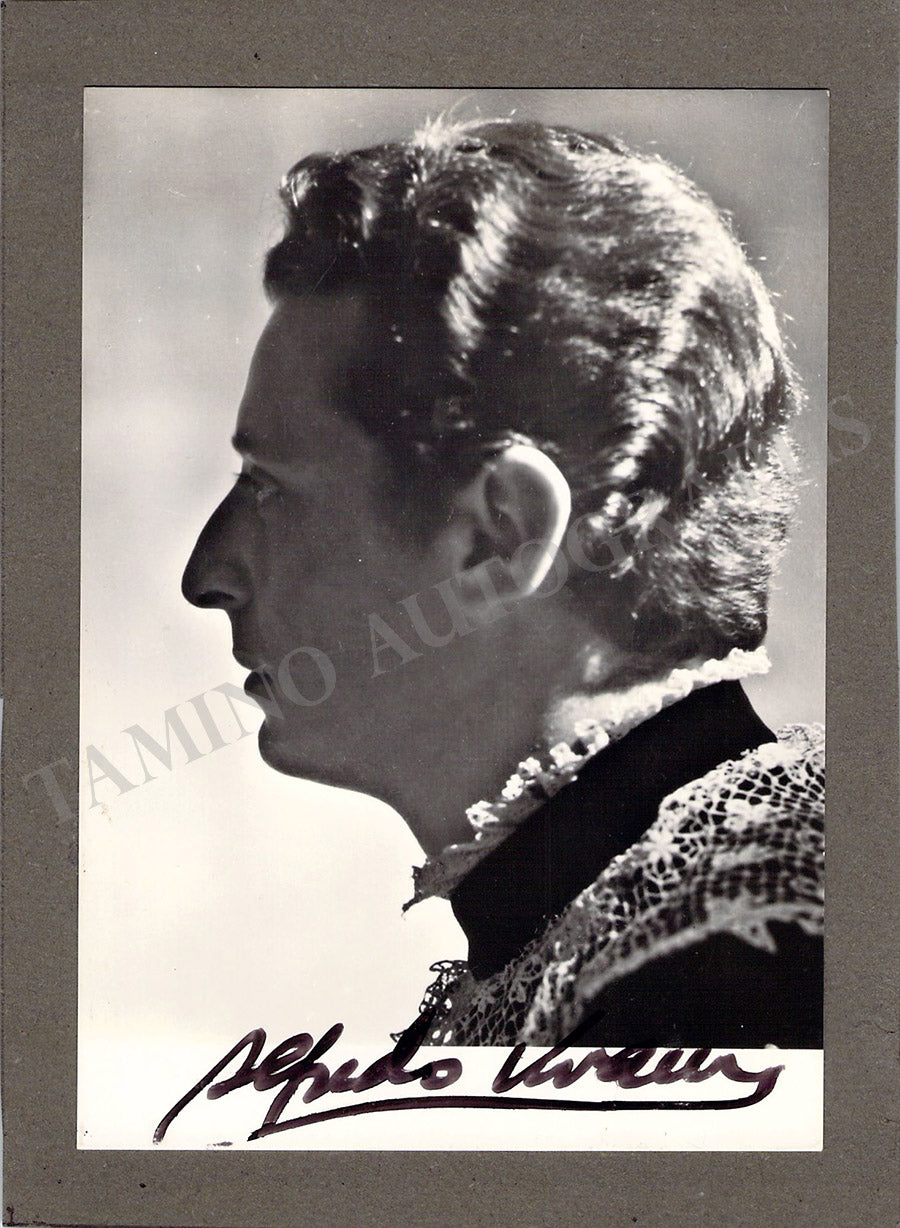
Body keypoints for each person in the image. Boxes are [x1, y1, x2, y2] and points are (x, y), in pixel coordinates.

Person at [182, 118, 823, 1048]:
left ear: (503, 534)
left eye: (272, 487)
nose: (207, 574)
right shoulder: (626, 931)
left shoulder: (742, 955)